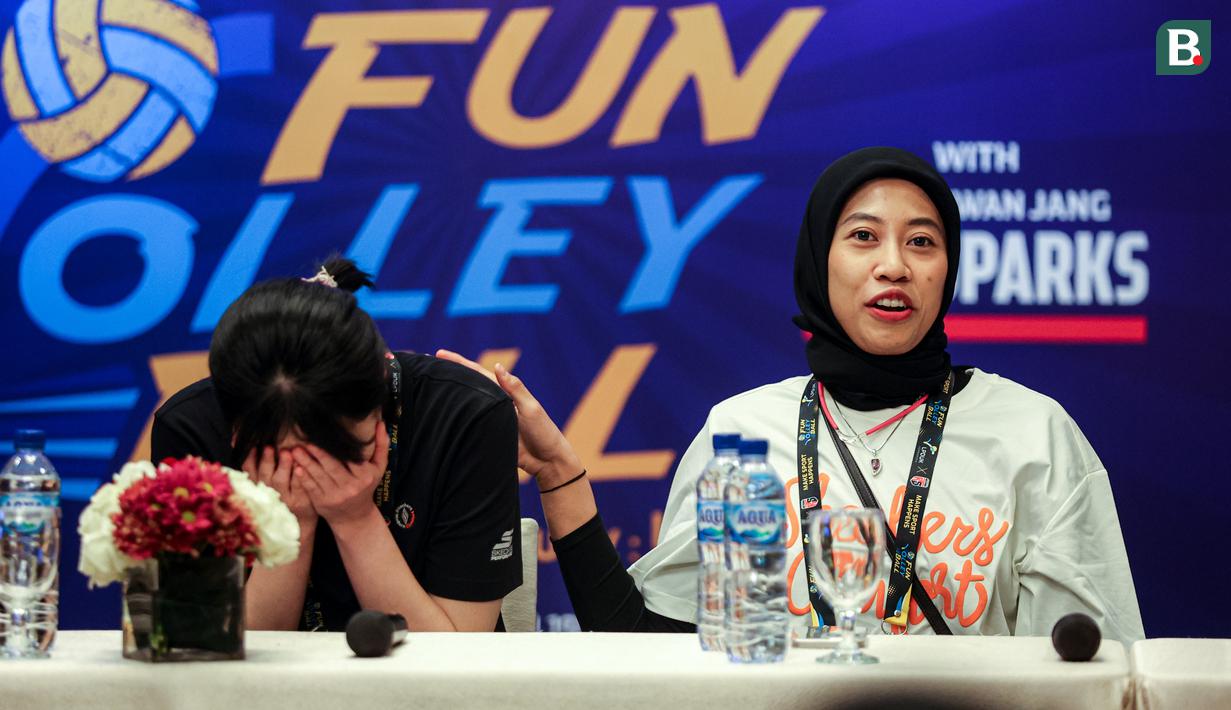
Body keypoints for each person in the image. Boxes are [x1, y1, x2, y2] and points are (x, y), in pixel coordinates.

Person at [438, 146, 1145, 643]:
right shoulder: (742, 432)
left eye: (922, 243)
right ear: (818, 261)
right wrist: (562, 478)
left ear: (947, 269)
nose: (893, 265)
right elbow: (651, 652)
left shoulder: (1031, 433)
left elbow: (1091, 665)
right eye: (862, 237)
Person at [152, 257, 521, 632]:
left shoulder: (466, 414)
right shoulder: (189, 428)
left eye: (340, 452)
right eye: (289, 459)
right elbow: (214, 661)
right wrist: (289, 519)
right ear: (235, 426)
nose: (316, 473)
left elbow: (458, 661)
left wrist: (355, 519)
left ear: (380, 383)